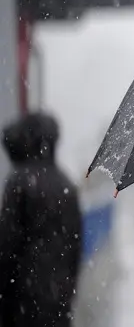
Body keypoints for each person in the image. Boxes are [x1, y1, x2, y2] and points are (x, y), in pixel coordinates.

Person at [0, 112, 83, 327]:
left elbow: (6, 246)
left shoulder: (19, 182)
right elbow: (76, 247)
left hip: (23, 302)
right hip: (58, 300)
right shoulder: (66, 184)